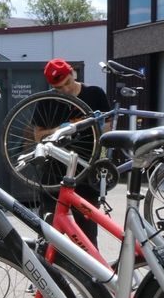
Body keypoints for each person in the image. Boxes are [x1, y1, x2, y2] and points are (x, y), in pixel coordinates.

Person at [32, 58, 112, 247]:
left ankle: (89, 275)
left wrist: (98, 128)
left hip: (85, 173)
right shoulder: (46, 101)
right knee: (49, 238)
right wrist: (61, 129)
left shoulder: (95, 94)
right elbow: (38, 137)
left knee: (87, 239)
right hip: (54, 175)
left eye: (67, 83)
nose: (66, 90)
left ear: (72, 73)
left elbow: (107, 132)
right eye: (59, 88)